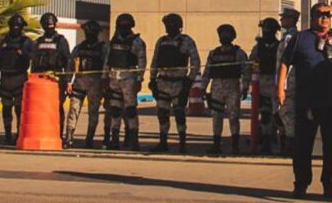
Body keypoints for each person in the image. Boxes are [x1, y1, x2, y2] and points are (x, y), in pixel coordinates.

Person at [278, 3, 332, 199]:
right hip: (307, 101)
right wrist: (280, 88)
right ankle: (301, 184)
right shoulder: (300, 38)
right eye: (320, 15)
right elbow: (285, 62)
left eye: (328, 16)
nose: (324, 19)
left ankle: (330, 184)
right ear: (312, 17)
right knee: (303, 146)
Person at [149, 13, 200, 153]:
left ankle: (182, 143)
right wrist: (152, 79)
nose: (168, 27)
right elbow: (155, 61)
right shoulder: (161, 41)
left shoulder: (186, 41)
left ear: (178, 26)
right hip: (163, 81)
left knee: (179, 114)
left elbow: (196, 63)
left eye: (171, 24)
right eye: (167, 25)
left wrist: (189, 81)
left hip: (179, 83)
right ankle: (163, 141)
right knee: (162, 113)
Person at [203, 24, 251, 155]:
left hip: (233, 87)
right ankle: (216, 144)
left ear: (232, 36)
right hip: (216, 87)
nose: (224, 37)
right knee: (216, 117)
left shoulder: (239, 53)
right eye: (222, 34)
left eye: (226, 34)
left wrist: (245, 87)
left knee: (233, 116)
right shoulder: (213, 53)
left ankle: (235, 145)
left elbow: (246, 71)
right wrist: (203, 88)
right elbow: (207, 72)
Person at [102, 13, 147, 151]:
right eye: (121, 26)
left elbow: (142, 62)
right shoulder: (113, 41)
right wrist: (105, 77)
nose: (123, 28)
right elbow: (107, 60)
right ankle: (115, 138)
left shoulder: (137, 42)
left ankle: (133, 139)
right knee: (115, 109)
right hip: (114, 77)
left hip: (129, 78)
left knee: (130, 110)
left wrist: (139, 79)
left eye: (125, 26)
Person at [0, 14, 34, 145]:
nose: (15, 28)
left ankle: (19, 134)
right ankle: (7, 134)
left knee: (19, 109)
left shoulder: (27, 42)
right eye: (13, 25)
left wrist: (23, 54)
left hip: (19, 77)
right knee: (6, 107)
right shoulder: (4, 41)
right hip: (5, 77)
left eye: (18, 26)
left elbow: (34, 57)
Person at [65, 19, 106, 149]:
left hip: (95, 83)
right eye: (87, 32)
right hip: (79, 82)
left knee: (93, 112)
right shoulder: (79, 47)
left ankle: (89, 138)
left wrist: (105, 83)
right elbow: (70, 65)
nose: (89, 34)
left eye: (92, 32)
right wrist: (68, 82)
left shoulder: (103, 48)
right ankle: (69, 138)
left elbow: (106, 66)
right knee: (73, 111)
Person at [30, 12, 72, 134]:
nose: (49, 26)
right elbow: (34, 62)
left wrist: (68, 81)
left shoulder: (61, 41)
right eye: (47, 24)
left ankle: (58, 133)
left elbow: (67, 61)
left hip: (56, 78)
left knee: (56, 107)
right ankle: (43, 131)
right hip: (40, 78)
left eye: (51, 24)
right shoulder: (38, 41)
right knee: (40, 107)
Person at [250, 17, 281, 154]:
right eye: (264, 29)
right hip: (262, 83)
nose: (265, 32)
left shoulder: (280, 46)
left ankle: (281, 140)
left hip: (275, 83)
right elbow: (252, 62)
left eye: (268, 30)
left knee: (277, 114)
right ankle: (266, 140)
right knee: (265, 113)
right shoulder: (258, 47)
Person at [275, 7, 300, 155]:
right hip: (286, 80)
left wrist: (281, 84)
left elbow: (285, 62)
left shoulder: (290, 38)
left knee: (286, 112)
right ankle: (288, 143)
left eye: (284, 18)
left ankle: (291, 144)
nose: (281, 20)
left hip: (288, 82)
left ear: (291, 20)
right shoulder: (288, 36)